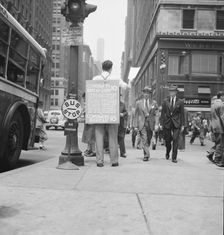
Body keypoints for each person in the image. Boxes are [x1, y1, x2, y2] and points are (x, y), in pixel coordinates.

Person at [93, 60, 129, 167]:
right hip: (112, 110)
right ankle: (114, 161)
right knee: (113, 136)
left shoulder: (95, 79)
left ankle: (99, 161)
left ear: (102, 68)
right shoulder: (115, 79)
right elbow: (125, 86)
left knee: (99, 136)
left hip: (99, 111)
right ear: (111, 68)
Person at [160, 85, 185, 163]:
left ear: (176, 92)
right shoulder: (165, 101)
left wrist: (183, 125)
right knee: (168, 140)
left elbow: (182, 114)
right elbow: (162, 113)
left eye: (173, 91)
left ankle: (174, 157)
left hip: (176, 123)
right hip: (167, 123)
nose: (171, 92)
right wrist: (161, 123)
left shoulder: (180, 102)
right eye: (170, 91)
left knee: (175, 139)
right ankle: (168, 151)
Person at [134, 86, 158, 161]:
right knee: (144, 139)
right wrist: (135, 125)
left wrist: (157, 124)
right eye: (145, 93)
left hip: (150, 124)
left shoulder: (154, 103)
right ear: (143, 93)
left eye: (148, 93)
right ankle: (146, 155)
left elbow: (156, 114)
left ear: (150, 94)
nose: (146, 94)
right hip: (142, 124)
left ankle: (146, 151)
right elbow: (136, 115)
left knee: (148, 139)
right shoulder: (138, 103)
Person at [209, 91, 224, 167]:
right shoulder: (221, 105)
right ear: (221, 96)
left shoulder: (213, 104)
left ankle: (212, 155)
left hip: (214, 126)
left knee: (217, 142)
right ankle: (217, 159)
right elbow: (222, 117)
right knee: (220, 144)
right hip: (220, 126)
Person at [81, 92, 96, 157]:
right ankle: (89, 149)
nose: (84, 99)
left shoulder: (92, 104)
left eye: (84, 98)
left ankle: (93, 151)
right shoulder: (87, 104)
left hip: (91, 123)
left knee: (91, 137)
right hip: (88, 123)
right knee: (88, 137)